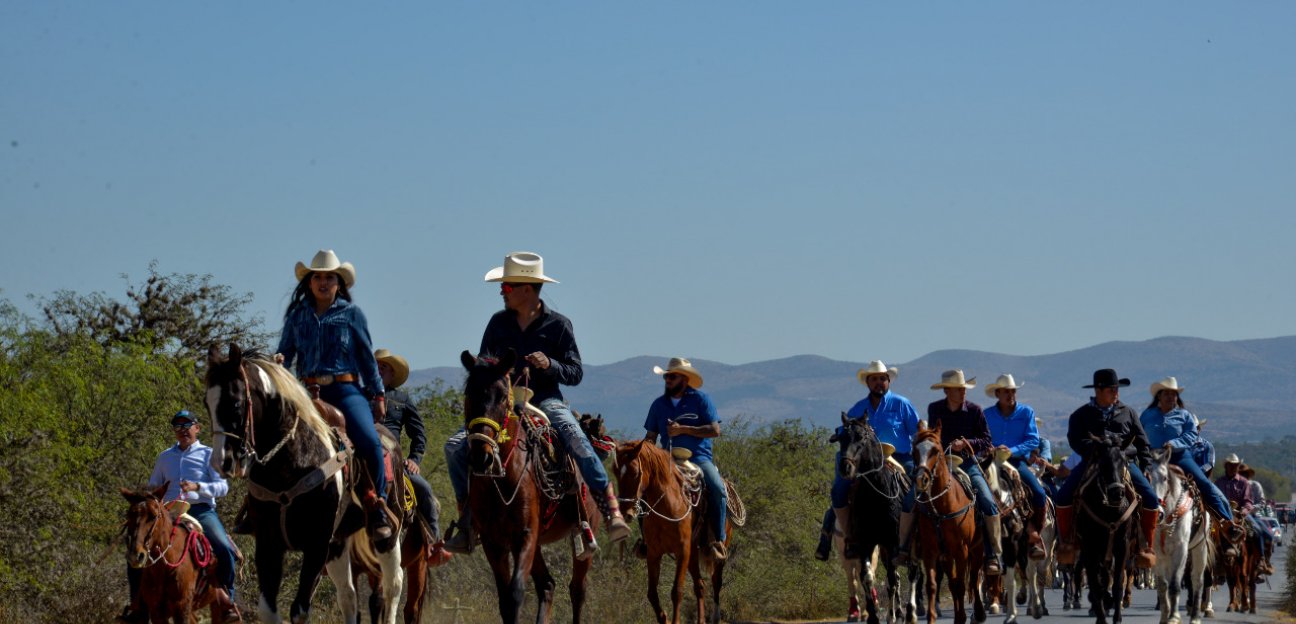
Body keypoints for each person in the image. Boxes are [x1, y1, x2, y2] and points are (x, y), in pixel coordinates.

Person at [444, 251, 631, 554]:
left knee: (576, 440)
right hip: (503, 405)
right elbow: (484, 368)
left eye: (506, 287)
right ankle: (468, 519)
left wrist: (549, 365)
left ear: (526, 290)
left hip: (546, 402)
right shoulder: (497, 324)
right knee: (455, 447)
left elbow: (575, 372)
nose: (501, 292)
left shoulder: (558, 326)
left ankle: (610, 510)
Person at [276, 249, 393, 546]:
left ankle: (377, 504)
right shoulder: (297, 315)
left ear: (339, 283)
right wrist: (280, 361)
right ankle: (260, 507)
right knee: (274, 439)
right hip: (305, 391)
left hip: (345, 389)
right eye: (318, 277)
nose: (324, 282)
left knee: (368, 441)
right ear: (310, 282)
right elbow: (286, 352)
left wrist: (377, 393)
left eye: (330, 277)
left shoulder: (352, 315)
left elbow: (367, 358)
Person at [120, 411, 239, 623]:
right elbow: (153, 485)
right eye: (178, 426)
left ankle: (227, 602)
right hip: (167, 512)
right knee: (136, 549)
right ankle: (136, 606)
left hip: (200, 510)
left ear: (197, 428)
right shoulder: (164, 457)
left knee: (224, 549)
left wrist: (198, 486)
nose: (183, 430)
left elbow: (223, 488)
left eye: (188, 425)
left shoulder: (209, 454)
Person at [816, 360, 920, 562]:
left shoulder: (902, 404)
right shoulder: (859, 408)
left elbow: (917, 433)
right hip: (866, 462)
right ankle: (843, 536)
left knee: (915, 491)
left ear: (888, 381)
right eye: (874, 379)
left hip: (899, 456)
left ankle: (913, 540)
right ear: (867, 383)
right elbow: (845, 428)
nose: (879, 383)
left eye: (882, 379)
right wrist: (839, 434)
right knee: (839, 490)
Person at [1054, 369, 1160, 569]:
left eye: (1117, 389)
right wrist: (1096, 447)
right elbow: (1075, 440)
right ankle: (1068, 543)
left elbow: (1143, 443)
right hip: (1093, 462)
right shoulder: (1082, 415)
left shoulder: (1128, 412)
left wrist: (1145, 466)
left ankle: (1145, 547)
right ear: (1099, 390)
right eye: (1112, 389)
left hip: (1124, 464)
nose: (1116, 393)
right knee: (1063, 496)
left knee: (1151, 499)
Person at [642, 357, 729, 559]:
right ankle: (646, 540)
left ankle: (718, 540)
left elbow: (715, 430)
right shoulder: (658, 405)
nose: (667, 380)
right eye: (666, 376)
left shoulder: (701, 400)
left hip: (699, 458)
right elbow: (651, 437)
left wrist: (683, 429)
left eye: (672, 376)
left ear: (684, 379)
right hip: (668, 460)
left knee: (717, 489)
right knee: (643, 490)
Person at [921, 369, 1005, 576]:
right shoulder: (935, 409)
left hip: (967, 464)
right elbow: (933, 436)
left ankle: (994, 553)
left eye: (964, 389)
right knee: (915, 498)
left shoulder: (975, 411)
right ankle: (908, 548)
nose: (963, 392)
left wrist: (967, 443)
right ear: (947, 391)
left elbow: (987, 440)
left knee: (987, 501)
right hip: (941, 465)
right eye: (959, 389)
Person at [374, 348, 451, 565]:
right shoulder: (357, 396)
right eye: (375, 366)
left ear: (392, 374)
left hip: (393, 458)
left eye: (384, 367)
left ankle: (433, 544)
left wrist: (414, 459)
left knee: (424, 489)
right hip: (361, 450)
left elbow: (419, 435)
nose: (379, 370)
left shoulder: (402, 399)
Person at [1138, 376, 1234, 522]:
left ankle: (1226, 523)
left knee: (1204, 484)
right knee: (1134, 483)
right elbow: (1140, 434)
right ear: (1159, 396)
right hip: (1153, 458)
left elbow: (1191, 434)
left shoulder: (1184, 415)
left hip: (1179, 457)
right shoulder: (1147, 415)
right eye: (1167, 393)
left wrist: (1174, 443)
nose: (1171, 397)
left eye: (1174, 394)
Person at [983, 374, 1049, 559]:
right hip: (991, 462)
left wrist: (1012, 450)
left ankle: (1035, 534)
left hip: (1016, 461)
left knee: (1038, 492)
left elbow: (1032, 440)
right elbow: (982, 438)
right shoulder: (986, 414)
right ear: (997, 393)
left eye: (1013, 391)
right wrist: (990, 448)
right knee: (974, 490)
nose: (1010, 395)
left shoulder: (1026, 412)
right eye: (1006, 391)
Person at [1216, 456, 1275, 574]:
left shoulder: (1244, 483)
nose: (1233, 468)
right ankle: (1213, 564)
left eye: (1235, 466)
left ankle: (1261, 561)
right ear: (1226, 466)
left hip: (1241, 514)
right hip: (1222, 515)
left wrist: (1244, 510)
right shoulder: (1218, 482)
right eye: (1231, 465)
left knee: (1257, 531)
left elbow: (1248, 500)